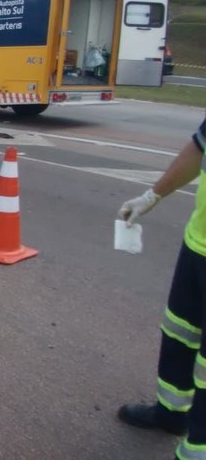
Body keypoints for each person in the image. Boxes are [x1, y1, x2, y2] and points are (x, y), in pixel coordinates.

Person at [117, 114, 206, 460]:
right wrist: (152, 196)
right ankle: (171, 412)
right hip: (198, 245)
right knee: (179, 332)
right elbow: (199, 149)